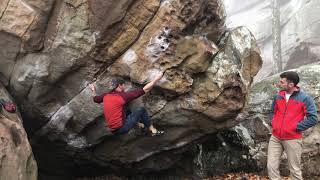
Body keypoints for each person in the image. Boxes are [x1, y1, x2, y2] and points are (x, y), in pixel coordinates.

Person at [267, 71, 318, 180]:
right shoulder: (278, 96)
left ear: (291, 85)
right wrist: (274, 122)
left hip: (293, 139)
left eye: (282, 82)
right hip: (275, 137)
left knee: (294, 170)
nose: (279, 84)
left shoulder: (305, 98)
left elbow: (313, 118)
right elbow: (272, 112)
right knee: (271, 167)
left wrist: (296, 127)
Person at [89, 73, 164, 136]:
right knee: (141, 110)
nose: (124, 86)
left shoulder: (106, 96)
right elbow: (145, 89)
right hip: (122, 128)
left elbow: (95, 99)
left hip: (113, 131)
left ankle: (141, 126)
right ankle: (153, 130)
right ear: (120, 85)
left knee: (126, 109)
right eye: (124, 85)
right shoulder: (123, 97)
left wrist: (93, 90)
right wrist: (156, 79)